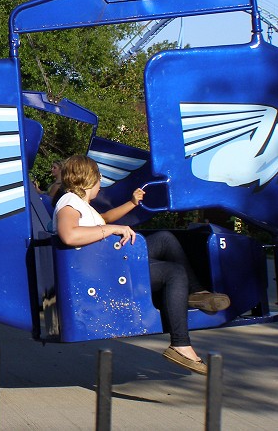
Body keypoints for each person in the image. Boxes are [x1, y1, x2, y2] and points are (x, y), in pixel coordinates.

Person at [52, 155, 230, 376]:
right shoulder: (69, 202)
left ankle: (195, 293)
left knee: (165, 239)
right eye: (99, 178)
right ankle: (181, 345)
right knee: (174, 273)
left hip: (113, 261)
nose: (101, 183)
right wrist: (113, 230)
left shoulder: (81, 204)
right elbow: (69, 234)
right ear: (90, 179)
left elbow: (104, 219)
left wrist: (132, 203)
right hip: (105, 273)